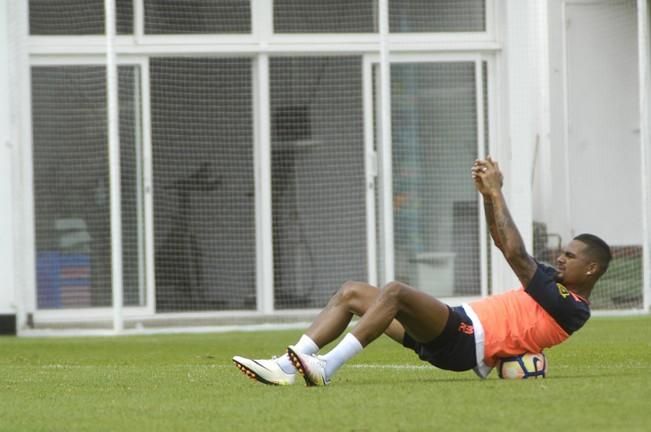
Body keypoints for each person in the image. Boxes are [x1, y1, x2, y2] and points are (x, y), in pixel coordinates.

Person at [233, 156, 612, 385]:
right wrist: (486, 197)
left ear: (592, 268)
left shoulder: (574, 307)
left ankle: (326, 367)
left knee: (395, 291)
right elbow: (503, 242)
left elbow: (516, 254)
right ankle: (285, 365)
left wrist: (498, 192)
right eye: (563, 253)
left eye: (571, 256)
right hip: (456, 329)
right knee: (353, 292)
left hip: (467, 342)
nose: (562, 258)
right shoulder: (550, 281)